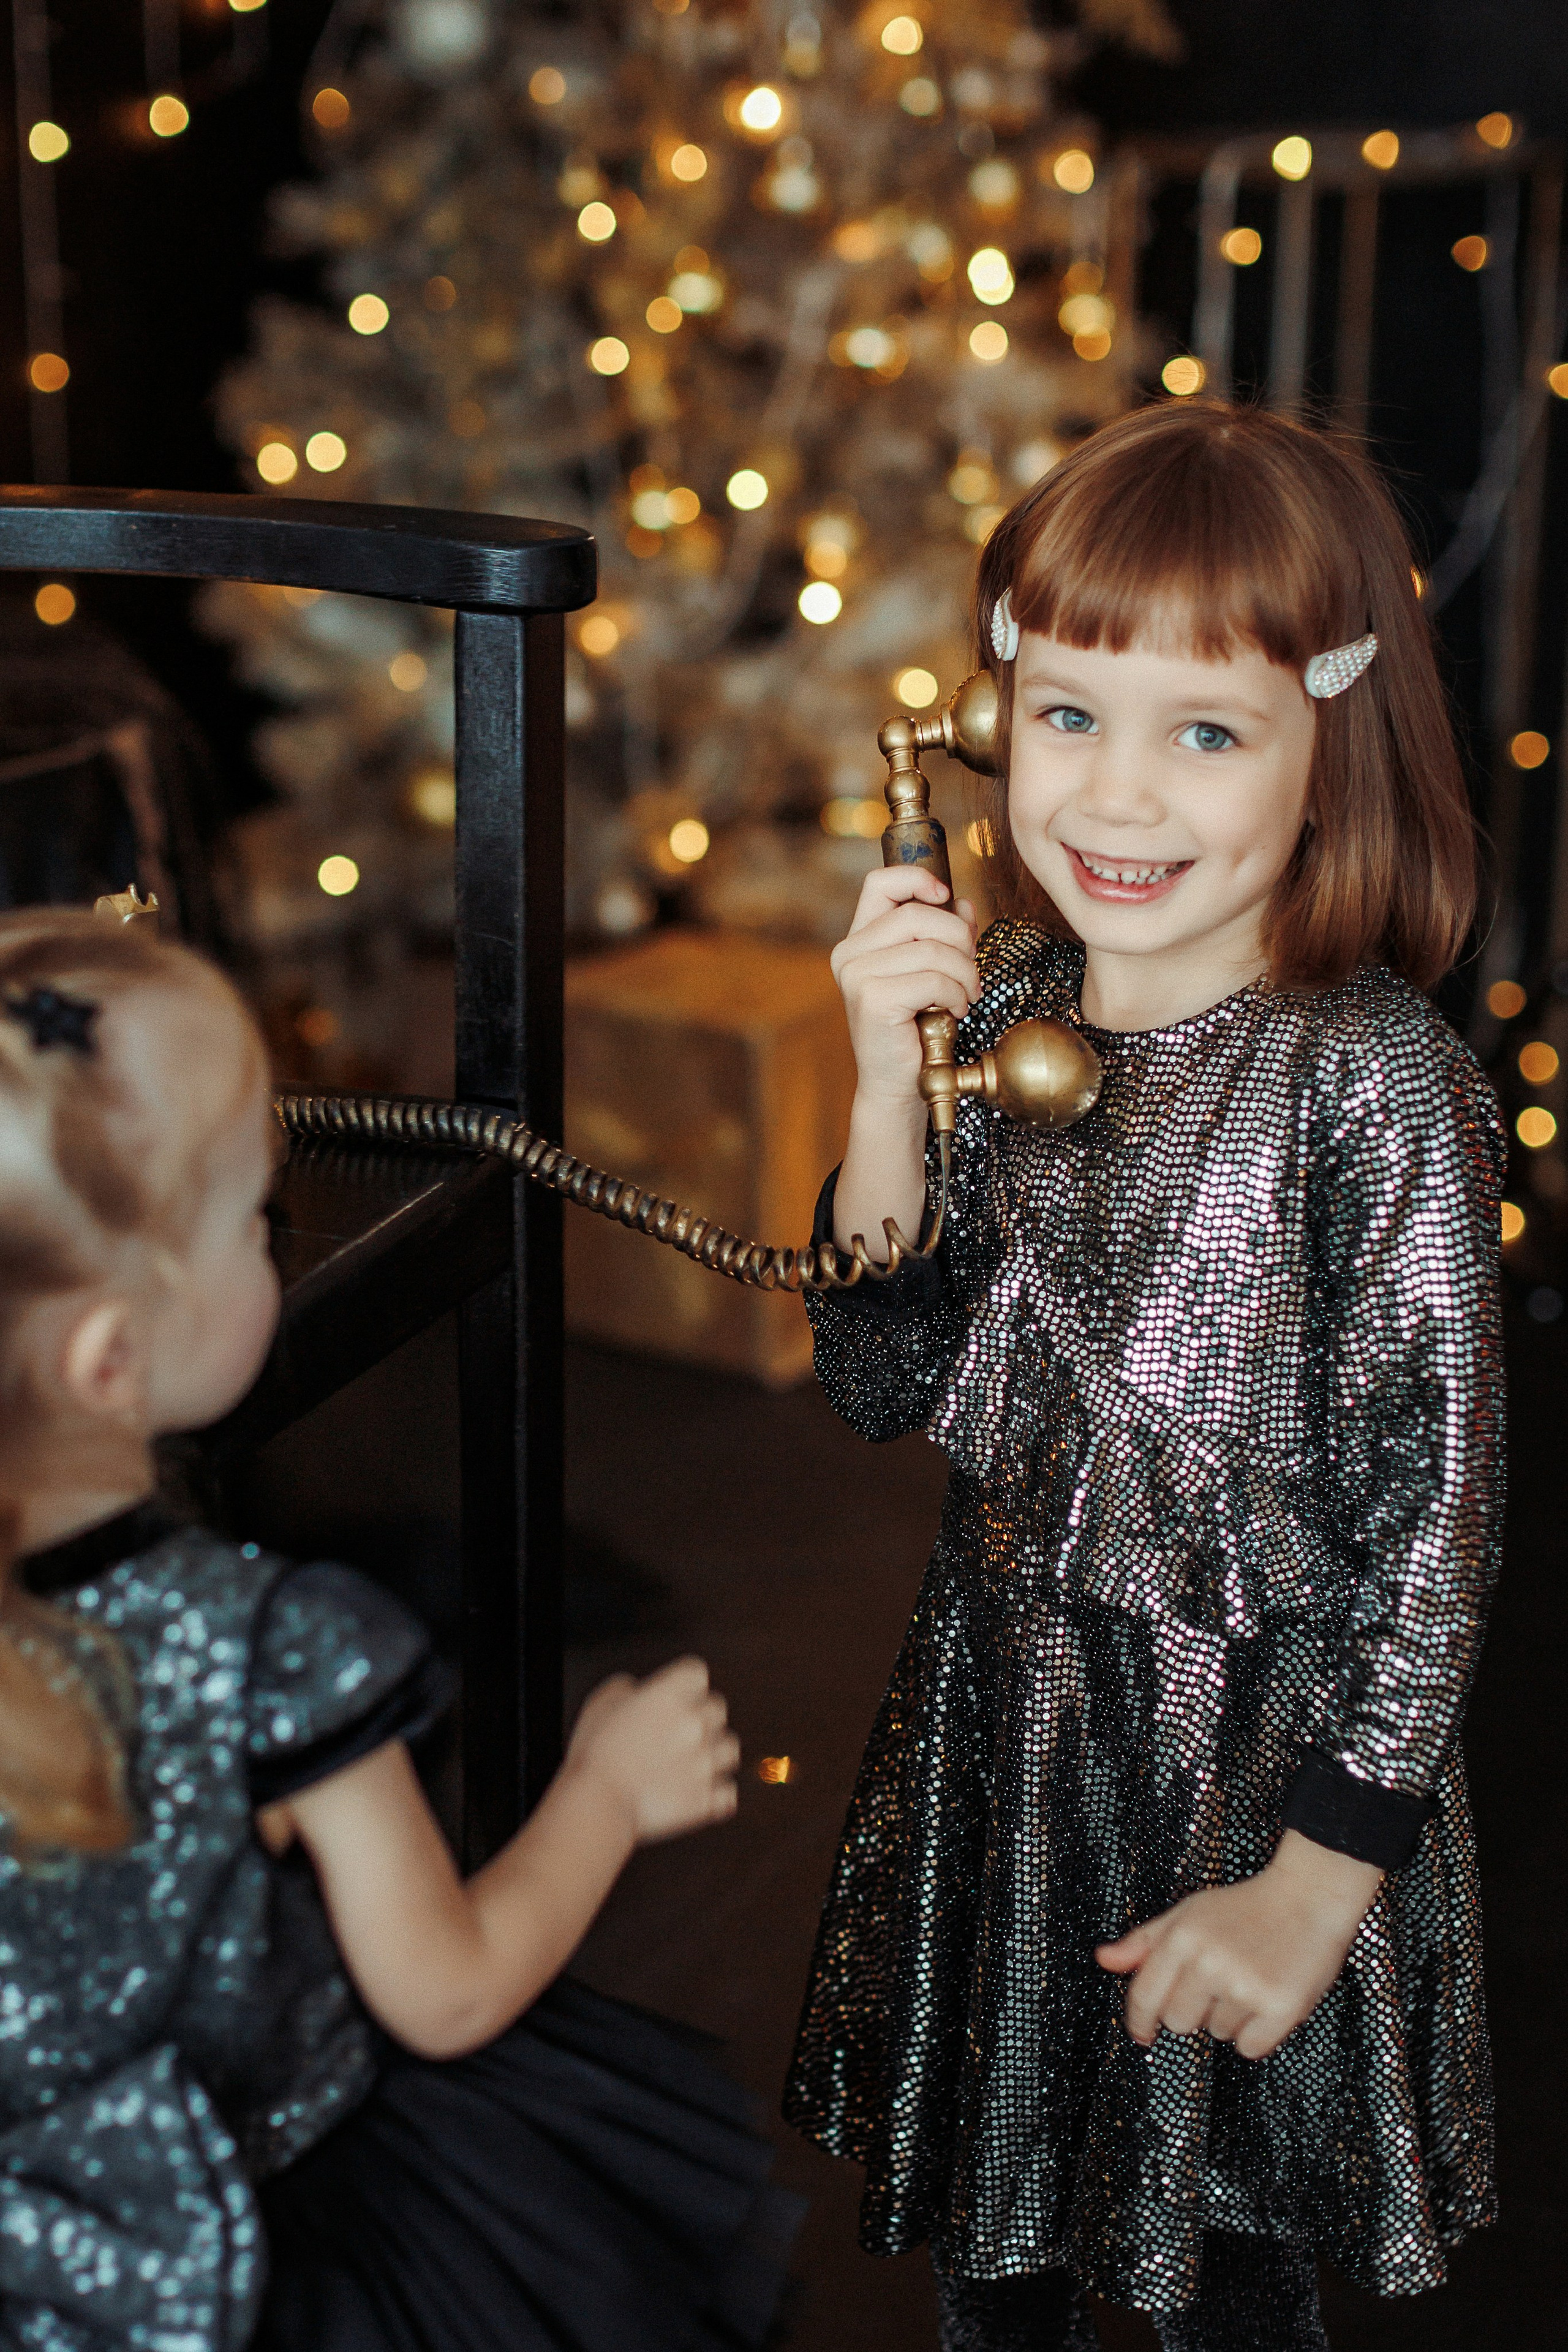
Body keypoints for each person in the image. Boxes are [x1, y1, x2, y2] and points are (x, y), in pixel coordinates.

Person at [783, 401, 1503, 2351]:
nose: (1114, 797)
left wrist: (1318, 1878)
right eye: (1069, 715)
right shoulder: (1011, 1014)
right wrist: (880, 1072)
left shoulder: (1368, 1081)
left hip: (1256, 1772)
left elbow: (1438, 1527)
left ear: (1324, 751)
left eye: (1206, 733)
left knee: (1227, 2275)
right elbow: (873, 1369)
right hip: (1011, 1736)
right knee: (999, 2254)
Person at [0, 905, 799, 2352]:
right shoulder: (262, 1648)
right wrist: (604, 1794)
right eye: (254, 1215)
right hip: (281, 2252)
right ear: (109, 1358)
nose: (277, 1236)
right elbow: (446, 1992)